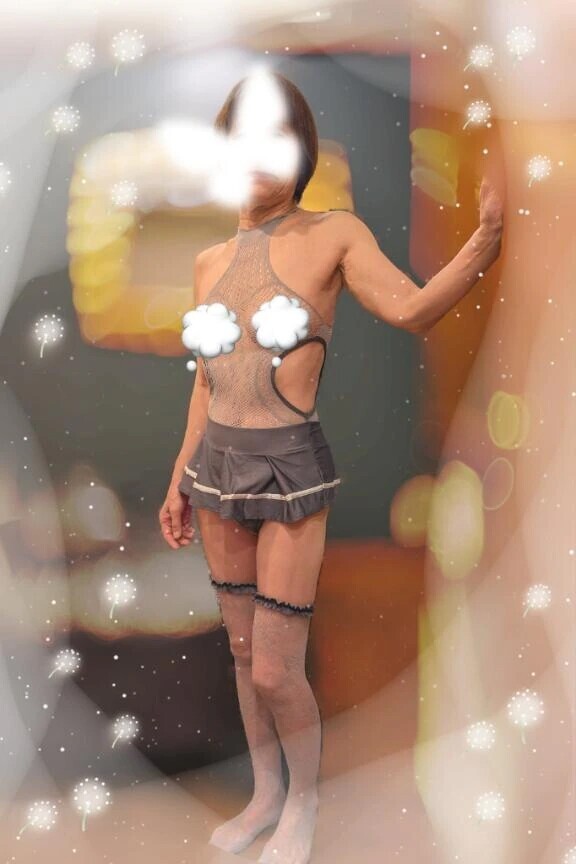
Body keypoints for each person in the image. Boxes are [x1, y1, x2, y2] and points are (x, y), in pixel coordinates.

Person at [159, 69, 504, 864]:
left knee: (277, 671)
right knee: (243, 656)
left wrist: (485, 237)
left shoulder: (333, 234)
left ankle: (302, 808)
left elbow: (414, 310)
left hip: (289, 472)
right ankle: (264, 795)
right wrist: (181, 475)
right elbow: (207, 382)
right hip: (216, 474)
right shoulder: (209, 260)